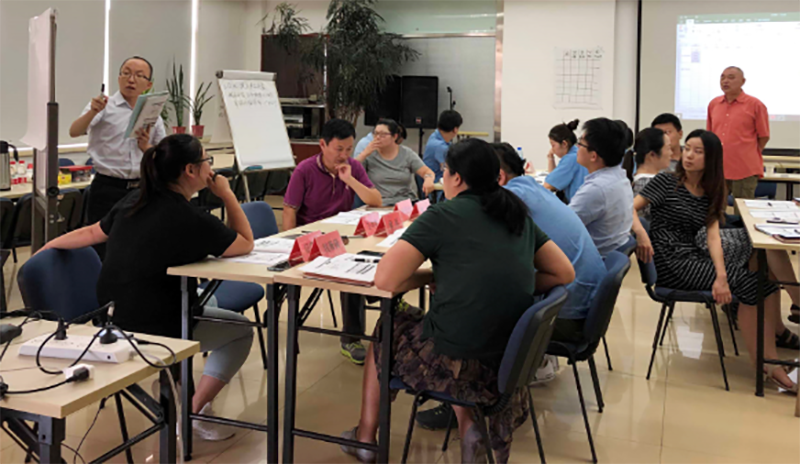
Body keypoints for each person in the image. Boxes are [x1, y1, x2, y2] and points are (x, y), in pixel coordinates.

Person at [341, 138, 575, 464]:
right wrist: (488, 281)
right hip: (509, 355)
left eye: (445, 171)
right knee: (459, 324)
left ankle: (365, 439)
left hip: (460, 359)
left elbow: (385, 280)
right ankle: (470, 427)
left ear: (458, 178)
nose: (443, 177)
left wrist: (439, 276)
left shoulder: (444, 215)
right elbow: (564, 273)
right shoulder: (514, 213)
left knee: (388, 328)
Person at [38, 134, 256, 439]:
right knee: (242, 331)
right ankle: (190, 411)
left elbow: (91, 233)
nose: (210, 168)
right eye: (207, 161)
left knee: (209, 302)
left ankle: (179, 385)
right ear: (190, 170)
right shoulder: (190, 217)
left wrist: (46, 247)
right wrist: (228, 195)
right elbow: (245, 243)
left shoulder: (134, 200)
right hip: (155, 327)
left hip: (111, 318)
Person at [632, 130, 797, 393]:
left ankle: (768, 362)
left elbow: (713, 238)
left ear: (711, 159)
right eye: (687, 148)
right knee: (753, 285)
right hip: (670, 263)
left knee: (761, 285)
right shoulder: (665, 181)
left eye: (698, 151)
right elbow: (630, 208)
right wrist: (642, 234)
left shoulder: (711, 191)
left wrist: (721, 276)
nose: (688, 155)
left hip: (693, 257)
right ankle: (767, 365)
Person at [283, 119, 382, 365]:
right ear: (323, 145)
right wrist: (292, 245)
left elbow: (376, 200)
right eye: (339, 149)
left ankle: (385, 305)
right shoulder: (304, 170)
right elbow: (289, 210)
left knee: (373, 257)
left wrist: (350, 180)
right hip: (313, 241)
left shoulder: (352, 167)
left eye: (349, 149)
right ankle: (351, 339)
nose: (344, 155)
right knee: (350, 270)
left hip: (342, 238)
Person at [69, 56, 167, 258]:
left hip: (141, 189)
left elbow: (162, 156)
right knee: (103, 250)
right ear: (118, 77)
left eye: (139, 75)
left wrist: (146, 147)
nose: (131, 79)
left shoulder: (152, 112)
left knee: (137, 247)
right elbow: (74, 131)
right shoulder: (104, 105)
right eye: (126, 73)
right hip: (107, 188)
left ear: (148, 84)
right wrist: (92, 112)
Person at [569, 118, 634, 257]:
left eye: (581, 143)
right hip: (610, 250)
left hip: (589, 259)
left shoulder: (596, 189)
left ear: (593, 156)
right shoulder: (619, 175)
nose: (577, 147)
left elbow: (562, 226)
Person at [707, 66, 770, 200]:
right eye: (722, 77)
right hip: (719, 168)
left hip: (745, 168)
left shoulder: (755, 105)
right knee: (715, 207)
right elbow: (710, 135)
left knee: (742, 208)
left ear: (743, 81)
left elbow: (763, 136)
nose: (725, 81)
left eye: (731, 77)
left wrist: (747, 152)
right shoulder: (714, 104)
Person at [355, 119, 435, 206]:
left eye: (383, 135)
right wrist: (364, 154)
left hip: (406, 203)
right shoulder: (369, 154)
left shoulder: (406, 153)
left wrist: (428, 179)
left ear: (395, 136)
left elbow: (427, 171)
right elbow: (351, 172)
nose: (377, 137)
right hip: (380, 204)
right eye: (375, 133)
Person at [623, 128, 672, 222]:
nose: (671, 153)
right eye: (668, 148)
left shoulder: (638, 180)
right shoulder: (650, 184)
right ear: (652, 155)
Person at [543, 119, 587, 201]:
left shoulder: (571, 158)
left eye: (553, 145)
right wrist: (550, 157)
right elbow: (554, 178)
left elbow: (549, 185)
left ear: (564, 144)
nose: (552, 149)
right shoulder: (577, 152)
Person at [423, 110, 463, 182]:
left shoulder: (434, 135)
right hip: (435, 182)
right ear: (455, 129)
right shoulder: (441, 147)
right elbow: (449, 170)